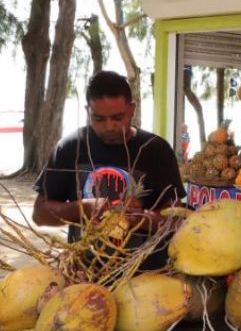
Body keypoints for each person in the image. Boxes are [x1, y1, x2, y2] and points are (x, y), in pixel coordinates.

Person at [33, 71, 185, 270]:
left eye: (117, 117)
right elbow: (40, 214)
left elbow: (177, 221)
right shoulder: (71, 147)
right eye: (98, 119)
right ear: (88, 111)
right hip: (82, 273)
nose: (109, 126)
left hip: (145, 278)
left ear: (132, 110)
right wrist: (84, 208)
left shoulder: (156, 150)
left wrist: (141, 218)